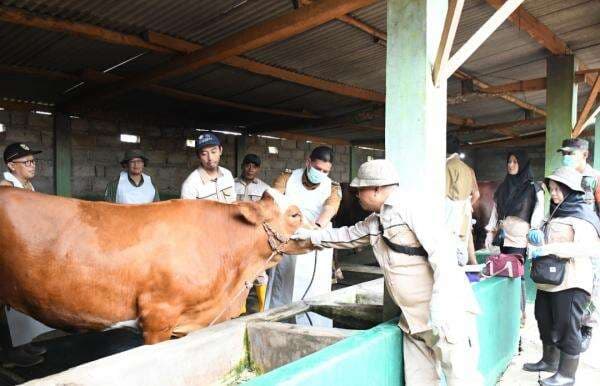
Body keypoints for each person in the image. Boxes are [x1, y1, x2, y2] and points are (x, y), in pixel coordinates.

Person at [292, 159, 482, 385]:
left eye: (360, 190)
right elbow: (345, 236)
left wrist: (441, 309)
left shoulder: (413, 208)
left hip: (445, 317)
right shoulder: (376, 221)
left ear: (377, 189)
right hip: (413, 323)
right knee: (419, 381)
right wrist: (309, 235)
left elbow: (444, 258)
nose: (357, 195)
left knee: (461, 379)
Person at [523, 167, 600, 386]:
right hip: (549, 282)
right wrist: (536, 239)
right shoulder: (555, 213)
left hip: (572, 282)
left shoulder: (583, 217)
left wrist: (547, 250)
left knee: (567, 328)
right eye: (552, 189)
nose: (554, 194)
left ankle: (566, 375)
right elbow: (546, 241)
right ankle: (549, 361)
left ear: (570, 190)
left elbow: (587, 248)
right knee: (544, 320)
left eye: (558, 189)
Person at [266, 146, 342, 325]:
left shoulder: (332, 186)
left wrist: (316, 226)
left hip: (314, 241)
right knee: (283, 287)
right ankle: (278, 326)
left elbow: (330, 208)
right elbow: (274, 197)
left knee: (314, 291)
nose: (321, 173)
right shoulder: (288, 177)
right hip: (289, 238)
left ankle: (314, 327)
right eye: (317, 168)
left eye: (325, 171)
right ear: (308, 162)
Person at [0, 143, 47, 367]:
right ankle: (10, 353)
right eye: (26, 162)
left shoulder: (26, 185)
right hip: (8, 256)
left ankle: (23, 345)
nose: (32, 165)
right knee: (8, 304)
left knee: (22, 303)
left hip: (25, 252)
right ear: (11, 165)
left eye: (33, 161)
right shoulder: (6, 188)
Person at [484, 151, 544, 325]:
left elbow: (538, 211)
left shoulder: (533, 188)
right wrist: (490, 231)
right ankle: (509, 309)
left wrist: (533, 233)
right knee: (505, 271)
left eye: (515, 161)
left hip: (521, 239)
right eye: (509, 161)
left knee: (517, 275)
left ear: (523, 164)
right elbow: (496, 211)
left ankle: (520, 313)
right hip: (504, 238)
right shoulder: (503, 187)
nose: (510, 165)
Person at [557, 138, 600, 350]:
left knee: (591, 286)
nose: (565, 157)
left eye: (570, 153)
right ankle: (569, 327)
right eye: (564, 153)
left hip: (590, 245)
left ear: (585, 155)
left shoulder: (595, 179)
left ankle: (587, 327)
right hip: (568, 242)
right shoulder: (564, 178)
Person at [234, 153, 270, 312]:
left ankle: (262, 307)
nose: (250, 169)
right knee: (238, 271)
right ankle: (240, 307)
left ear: (259, 169)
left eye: (254, 166)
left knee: (259, 270)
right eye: (248, 165)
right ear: (243, 166)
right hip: (234, 233)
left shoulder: (264, 188)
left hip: (255, 235)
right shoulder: (231, 184)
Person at [445, 135, 480, 265]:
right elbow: (476, 194)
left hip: (450, 214)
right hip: (464, 214)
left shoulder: (448, 166)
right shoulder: (468, 169)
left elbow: (442, 194)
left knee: (448, 250)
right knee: (462, 247)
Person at [181, 132, 235, 203]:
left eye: (213, 152)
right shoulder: (190, 185)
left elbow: (233, 203)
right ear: (198, 156)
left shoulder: (227, 174)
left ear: (220, 151)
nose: (210, 158)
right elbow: (188, 213)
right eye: (204, 154)